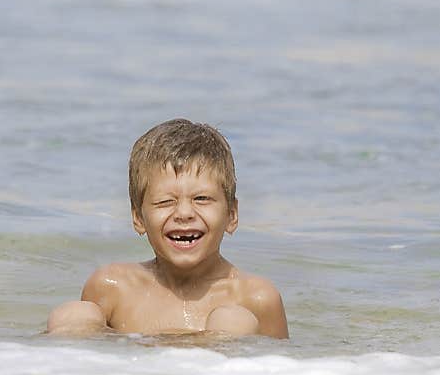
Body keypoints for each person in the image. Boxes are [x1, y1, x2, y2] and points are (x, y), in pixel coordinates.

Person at [46, 119, 289, 339]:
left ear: (232, 215)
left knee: (233, 321)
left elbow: (283, 374)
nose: (184, 213)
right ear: (138, 218)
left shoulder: (256, 298)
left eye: (202, 199)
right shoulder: (113, 287)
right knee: (74, 315)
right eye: (165, 202)